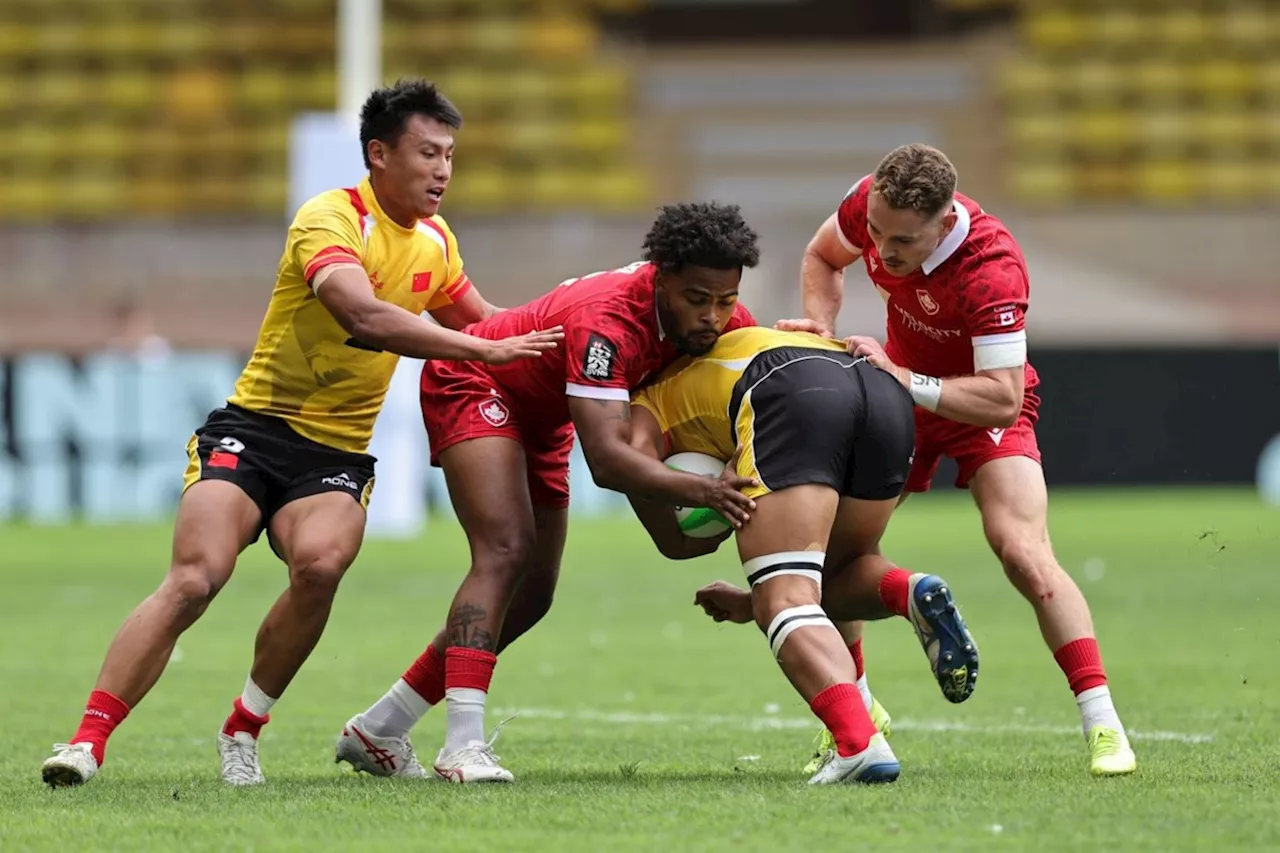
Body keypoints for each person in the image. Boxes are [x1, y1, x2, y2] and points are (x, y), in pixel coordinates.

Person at [40, 80, 562, 789]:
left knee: (319, 567)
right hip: (254, 432)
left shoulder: (437, 242)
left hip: (336, 455)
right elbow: (364, 316)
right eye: (427, 152)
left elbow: (486, 320)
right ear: (379, 154)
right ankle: (85, 742)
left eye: (450, 155)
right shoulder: (330, 218)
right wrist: (481, 351)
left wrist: (559, 338)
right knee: (196, 577)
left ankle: (242, 728)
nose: (443, 169)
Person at [335, 203, 761, 783]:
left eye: (726, 300)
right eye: (697, 299)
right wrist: (704, 490)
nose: (713, 316)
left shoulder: (722, 321)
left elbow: (757, 362)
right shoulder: (608, 321)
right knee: (506, 550)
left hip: (545, 416)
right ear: (660, 275)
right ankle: (462, 747)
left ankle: (380, 727)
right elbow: (609, 462)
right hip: (477, 380)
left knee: (533, 594)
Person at [777, 143, 1136, 777]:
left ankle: (1103, 724)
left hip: (974, 402)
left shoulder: (991, 267)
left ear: (944, 223)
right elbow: (821, 256)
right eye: (879, 233)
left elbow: (1002, 397)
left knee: (1022, 550)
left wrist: (905, 378)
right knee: (832, 559)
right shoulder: (872, 205)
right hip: (901, 399)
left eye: (903, 241)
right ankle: (861, 714)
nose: (883, 252)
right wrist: (820, 325)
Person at [624, 325, 980, 784]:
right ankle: (907, 591)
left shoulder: (647, 399)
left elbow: (634, 463)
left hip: (791, 391)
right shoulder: (726, 348)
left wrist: (683, 532)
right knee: (833, 576)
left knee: (784, 599)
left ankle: (859, 743)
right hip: (880, 392)